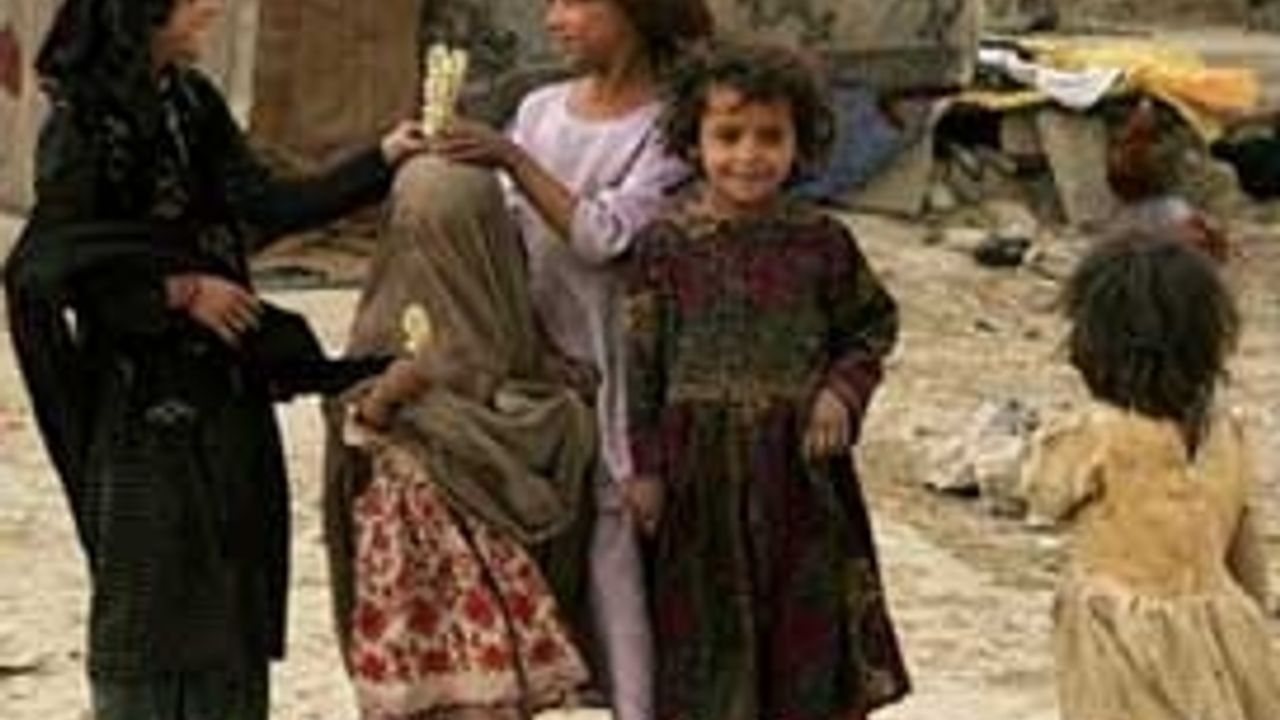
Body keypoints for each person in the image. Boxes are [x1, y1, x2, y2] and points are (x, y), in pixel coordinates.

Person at [2, 0, 424, 717]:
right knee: (150, 606)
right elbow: (57, 266)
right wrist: (178, 292)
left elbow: (265, 204)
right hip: (140, 410)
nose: (212, 10)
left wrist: (383, 158)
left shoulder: (191, 102)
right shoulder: (82, 126)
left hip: (225, 393)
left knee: (233, 591)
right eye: (193, 1)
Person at [324, 2, 713, 719]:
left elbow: (605, 237)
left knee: (616, 536)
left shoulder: (669, 127)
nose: (553, 18)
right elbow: (495, 229)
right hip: (533, 347)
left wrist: (509, 157)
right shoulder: (539, 108)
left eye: (574, 1)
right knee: (557, 537)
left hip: (617, 352)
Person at [622, 43, 911, 720]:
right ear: (692, 143)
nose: (748, 155)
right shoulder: (665, 247)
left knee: (803, 637)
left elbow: (870, 327)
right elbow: (641, 365)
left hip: (799, 477)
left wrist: (840, 393)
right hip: (697, 481)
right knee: (702, 641)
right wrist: (647, 468)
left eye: (770, 137)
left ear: (799, 143)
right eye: (728, 136)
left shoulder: (823, 242)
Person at [1021, 232, 1280, 720]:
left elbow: (1043, 496)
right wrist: (1253, 620)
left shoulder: (1097, 433)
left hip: (1122, 639)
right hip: (1220, 628)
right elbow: (1245, 544)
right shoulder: (1227, 432)